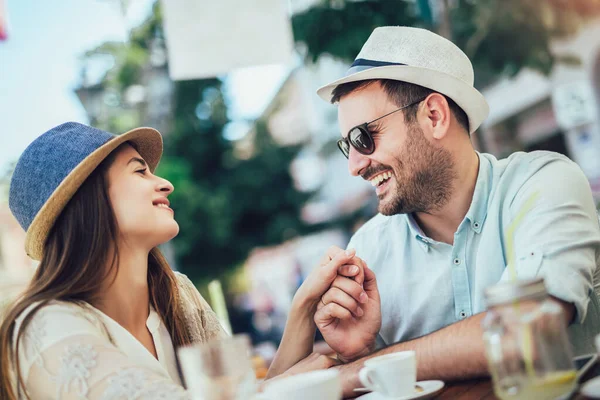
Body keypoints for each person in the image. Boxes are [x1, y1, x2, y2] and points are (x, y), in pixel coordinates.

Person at [303, 26, 600, 397]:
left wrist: (357, 372)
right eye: (348, 146)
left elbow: (524, 333)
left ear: (434, 116)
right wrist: (364, 353)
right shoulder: (368, 250)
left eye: (364, 137)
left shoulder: (543, 184)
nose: (355, 165)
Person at [0, 122, 361, 399]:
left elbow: (244, 395)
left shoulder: (178, 293)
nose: (166, 184)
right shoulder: (44, 327)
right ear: (87, 201)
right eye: (140, 170)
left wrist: (304, 308)